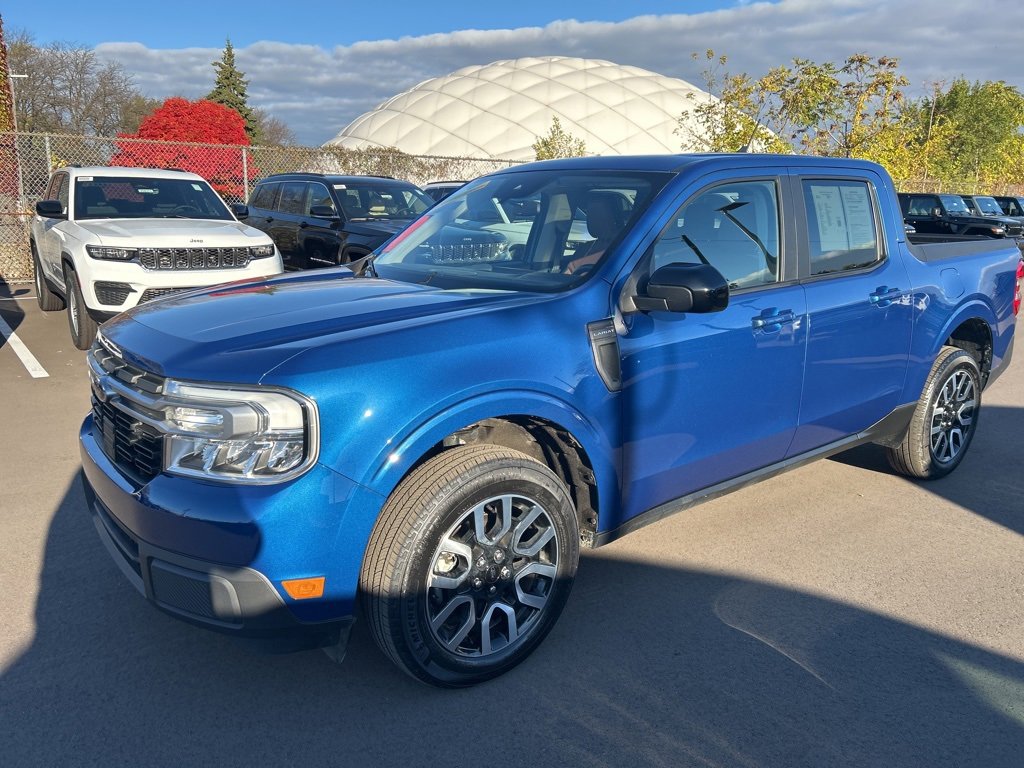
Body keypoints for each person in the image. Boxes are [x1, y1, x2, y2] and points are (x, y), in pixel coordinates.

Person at [563, 193, 628, 275]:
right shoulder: (584, 248)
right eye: (591, 215)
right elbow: (567, 274)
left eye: (599, 214)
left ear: (613, 217)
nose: (593, 220)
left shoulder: (623, 249)